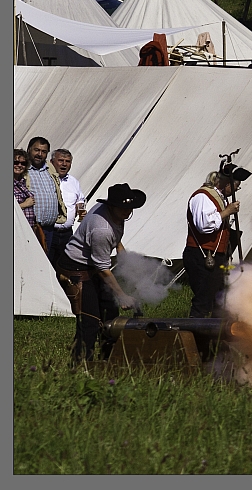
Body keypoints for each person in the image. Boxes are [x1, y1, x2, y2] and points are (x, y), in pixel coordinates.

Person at [56, 183, 143, 364]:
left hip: (93, 266)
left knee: (110, 313)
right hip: (77, 269)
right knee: (90, 319)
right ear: (111, 206)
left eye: (129, 208)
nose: (127, 213)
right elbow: (103, 268)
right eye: (123, 208)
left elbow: (116, 241)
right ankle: (80, 365)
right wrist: (122, 295)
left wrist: (128, 264)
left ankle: (108, 359)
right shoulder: (101, 230)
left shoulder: (114, 215)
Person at [185, 165, 250, 318]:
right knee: (203, 303)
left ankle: (216, 338)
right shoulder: (203, 196)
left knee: (219, 302)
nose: (235, 191)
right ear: (227, 183)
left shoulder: (218, 197)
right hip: (201, 256)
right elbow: (204, 226)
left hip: (215, 256)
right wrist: (227, 212)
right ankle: (197, 339)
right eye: (235, 187)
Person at [24, 136, 68, 260]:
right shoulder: (23, 169)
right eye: (36, 150)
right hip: (31, 227)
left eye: (43, 151)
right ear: (29, 150)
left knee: (44, 261)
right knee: (29, 260)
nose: (39, 154)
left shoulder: (50, 169)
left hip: (49, 228)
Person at [49, 149, 87, 266]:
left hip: (67, 233)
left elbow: (80, 199)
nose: (64, 164)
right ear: (52, 162)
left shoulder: (73, 181)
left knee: (64, 265)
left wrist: (80, 208)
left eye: (67, 161)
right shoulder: (46, 179)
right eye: (60, 160)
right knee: (47, 263)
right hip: (49, 231)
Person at [14, 148, 44, 246]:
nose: (19, 165)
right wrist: (24, 204)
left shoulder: (22, 183)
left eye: (23, 163)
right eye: (16, 162)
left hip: (27, 232)